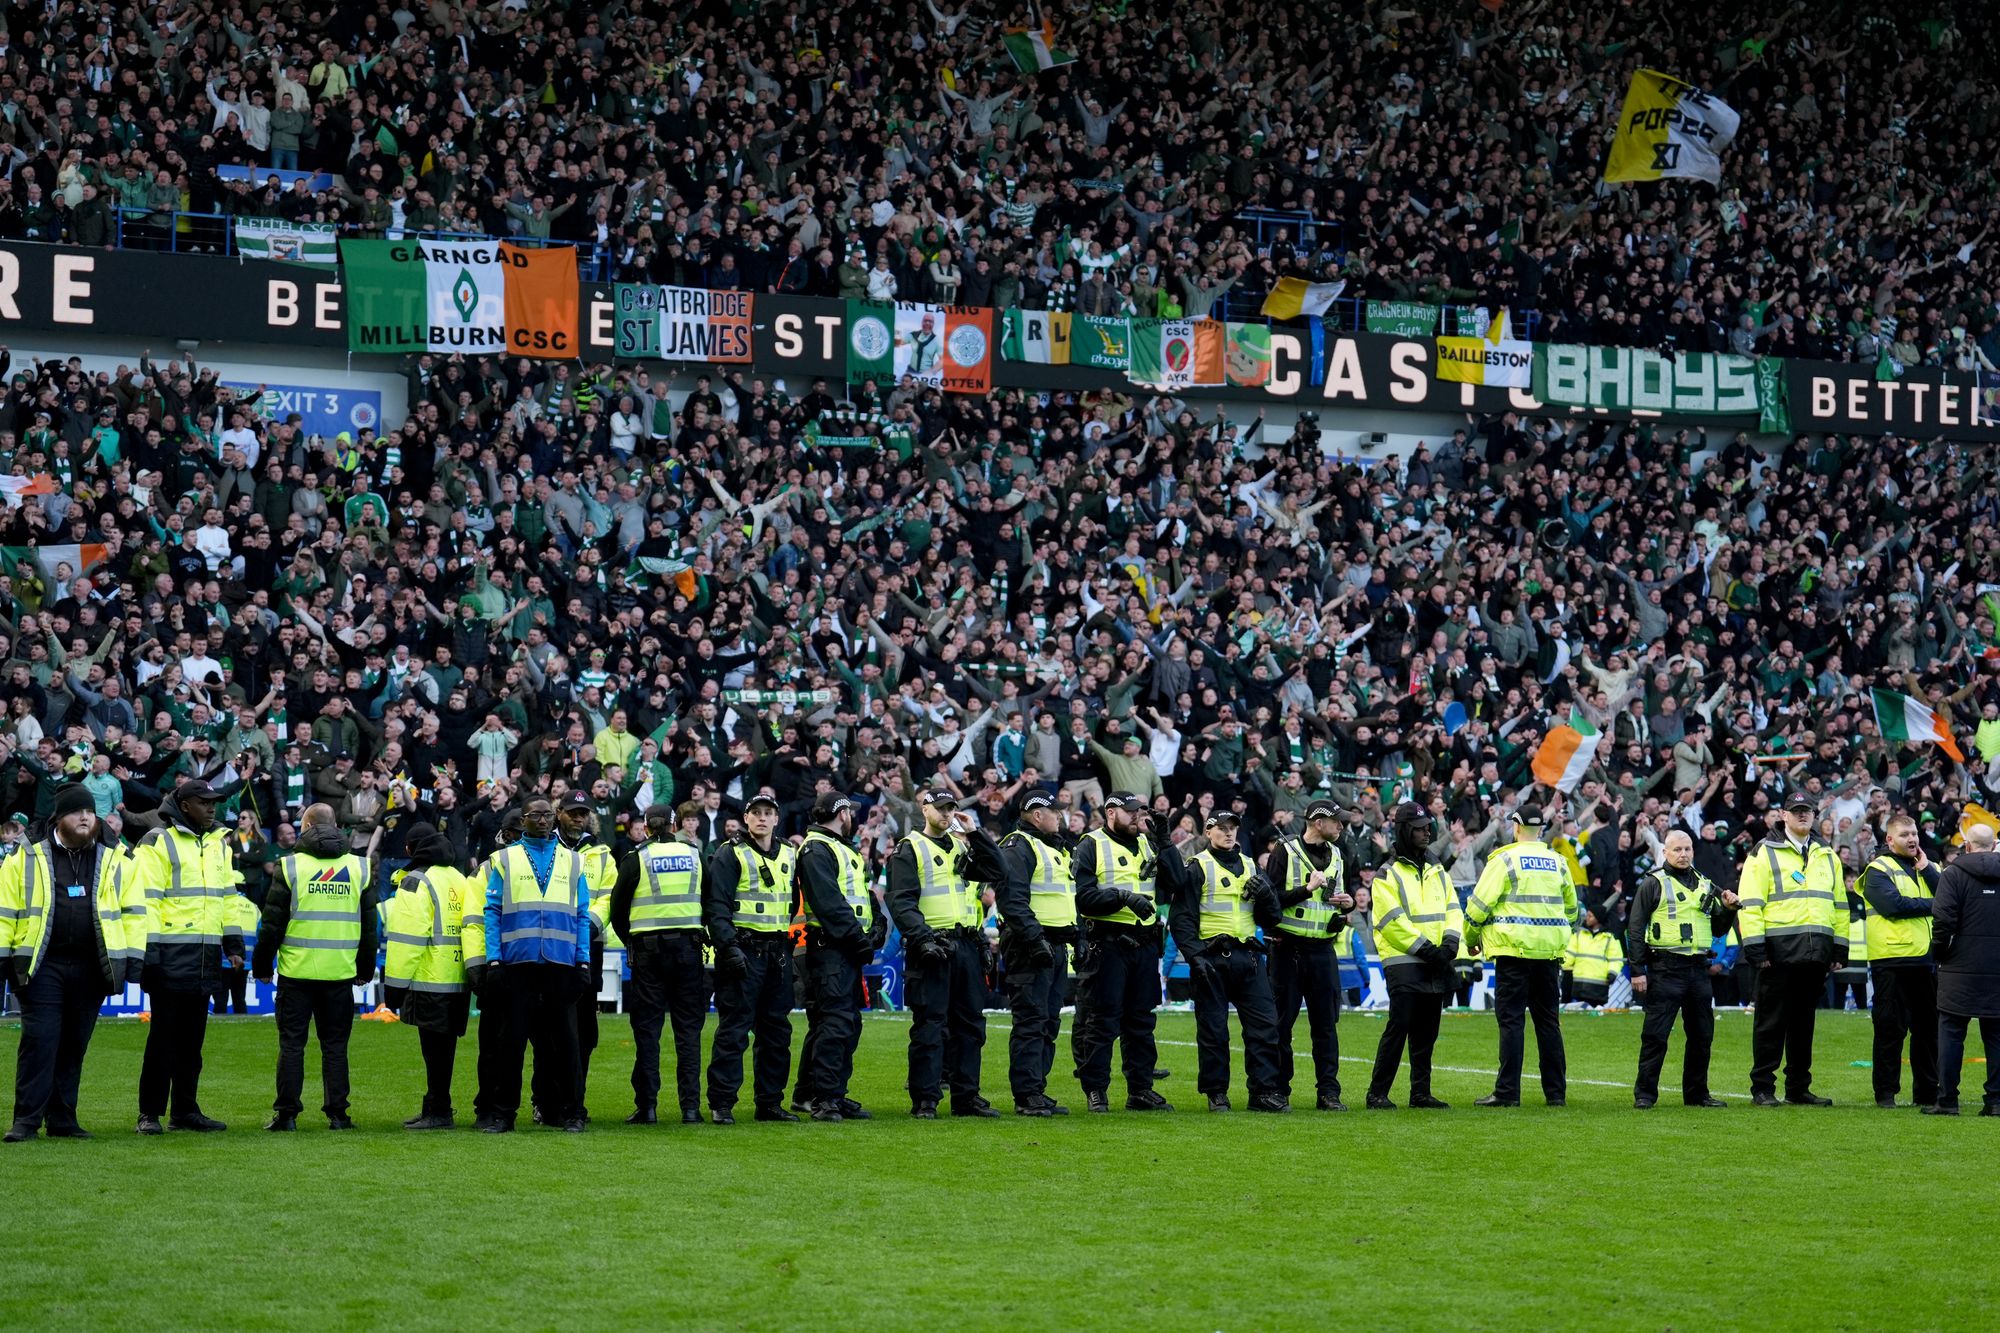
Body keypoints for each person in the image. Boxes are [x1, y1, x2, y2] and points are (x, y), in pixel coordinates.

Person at [2, 785, 143, 1141]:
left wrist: (133, 959)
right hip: (42, 963)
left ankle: (63, 1119)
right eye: (77, 811)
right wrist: (3, 957)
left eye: (90, 812)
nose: (85, 817)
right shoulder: (25, 855)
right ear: (58, 818)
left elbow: (134, 912)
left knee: (74, 1044)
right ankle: (26, 1120)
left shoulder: (117, 856)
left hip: (92, 964)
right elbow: (5, 910)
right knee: (40, 1041)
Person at [251, 802, 377, 1131]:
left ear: (306, 826)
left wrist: (261, 965)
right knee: (335, 1047)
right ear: (336, 826)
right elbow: (369, 927)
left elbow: (272, 924)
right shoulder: (360, 867)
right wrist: (365, 969)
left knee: (292, 1046)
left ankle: (287, 1115)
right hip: (339, 973)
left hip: (297, 972)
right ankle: (339, 1115)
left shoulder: (290, 866)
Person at [129, 780, 245, 1134]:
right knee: (162, 1041)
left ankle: (184, 1111)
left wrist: (233, 944)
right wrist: (149, 953)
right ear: (184, 805)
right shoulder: (157, 841)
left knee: (192, 1044)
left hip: (205, 955)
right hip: (169, 954)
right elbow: (147, 900)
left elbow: (227, 898)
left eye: (214, 802)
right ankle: (149, 1113)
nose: (211, 808)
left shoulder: (218, 844)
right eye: (203, 802)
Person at [887, 789, 1005, 1118]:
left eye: (950, 808)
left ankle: (966, 1097)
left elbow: (998, 869)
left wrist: (975, 833)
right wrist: (922, 938)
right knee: (930, 1025)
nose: (946, 814)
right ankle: (925, 1098)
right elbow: (900, 900)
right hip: (932, 946)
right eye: (940, 808)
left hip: (965, 945)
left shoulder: (960, 846)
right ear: (924, 809)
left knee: (970, 1025)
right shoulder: (910, 848)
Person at [479, 796, 592, 1132]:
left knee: (567, 1044)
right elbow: (492, 912)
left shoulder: (574, 861)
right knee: (510, 1044)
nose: (542, 821)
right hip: (518, 963)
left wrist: (583, 961)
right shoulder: (504, 859)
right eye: (535, 815)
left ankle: (572, 1112)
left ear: (554, 818)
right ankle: (504, 1114)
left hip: (561, 963)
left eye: (547, 815)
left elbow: (582, 914)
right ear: (523, 820)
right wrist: (494, 959)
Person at [1164, 811, 1286, 1112]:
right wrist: (1195, 956)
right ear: (1208, 831)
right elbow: (1181, 919)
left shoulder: (1251, 865)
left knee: (1264, 1027)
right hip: (1212, 959)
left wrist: (1267, 895)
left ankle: (1263, 1091)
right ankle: (1216, 1092)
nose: (1229, 833)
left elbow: (1271, 918)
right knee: (1214, 1031)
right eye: (1221, 828)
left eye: (1233, 828)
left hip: (1249, 957)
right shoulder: (1197, 866)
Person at [1463, 803, 1576, 1107]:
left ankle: (1507, 1092)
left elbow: (1478, 906)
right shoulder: (1558, 862)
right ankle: (1556, 1094)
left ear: (1515, 826)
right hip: (1549, 953)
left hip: (1513, 952)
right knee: (1549, 1023)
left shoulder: (1504, 860)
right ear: (1541, 829)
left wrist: (1471, 938)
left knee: (1512, 1022)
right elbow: (1572, 909)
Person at [1737, 795, 1847, 1106]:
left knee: (1803, 1025)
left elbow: (1839, 905)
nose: (1802, 816)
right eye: (1796, 811)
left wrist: (1839, 948)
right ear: (1784, 815)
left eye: (1807, 811)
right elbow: (1750, 903)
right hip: (1777, 954)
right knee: (1770, 1024)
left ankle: (1798, 1088)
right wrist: (1755, 949)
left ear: (1814, 815)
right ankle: (1763, 1088)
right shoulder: (1763, 852)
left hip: (1815, 954)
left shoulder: (1828, 855)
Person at [606, 802, 708, 1124]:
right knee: (688, 1032)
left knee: (648, 1031)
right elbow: (709, 900)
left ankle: (648, 1107)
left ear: (647, 827)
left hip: (648, 952)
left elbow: (617, 910)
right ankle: (690, 1108)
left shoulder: (636, 858)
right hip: (688, 950)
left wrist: (631, 940)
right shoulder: (694, 855)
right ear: (675, 825)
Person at [1071, 791, 1172, 1113]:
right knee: (1102, 1020)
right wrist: (1123, 898)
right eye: (1130, 812)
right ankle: (1096, 1090)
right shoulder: (1091, 844)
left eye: (1138, 811)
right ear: (1111, 812)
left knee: (1141, 1021)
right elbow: (1083, 898)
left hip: (1144, 944)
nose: (1136, 817)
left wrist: (1165, 841)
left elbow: (1176, 882)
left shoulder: (1147, 843)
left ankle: (1140, 1089)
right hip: (1108, 944)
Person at [704, 793, 800, 1123]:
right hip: (743, 950)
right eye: (755, 812)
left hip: (778, 953)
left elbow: (793, 901)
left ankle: (769, 1103)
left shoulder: (789, 852)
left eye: (768, 813)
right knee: (734, 1030)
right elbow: (716, 906)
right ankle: (722, 1103)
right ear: (746, 819)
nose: (762, 818)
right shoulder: (730, 853)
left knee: (777, 1032)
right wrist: (728, 947)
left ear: (777, 819)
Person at [1627, 829, 1737, 1109]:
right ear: (1665, 852)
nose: (1683, 854)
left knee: (1702, 1035)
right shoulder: (1653, 883)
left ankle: (1697, 1094)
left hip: (1698, 969)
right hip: (1666, 968)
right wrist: (1637, 970)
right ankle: (1645, 1094)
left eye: (1687, 849)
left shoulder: (1704, 884)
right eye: (1677, 849)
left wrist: (1728, 909)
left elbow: (1718, 929)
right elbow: (1635, 928)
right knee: (1655, 1035)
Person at [793, 792, 885, 1121]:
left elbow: (861, 897)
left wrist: (877, 926)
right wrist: (859, 940)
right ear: (842, 813)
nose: (852, 817)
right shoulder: (817, 848)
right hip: (831, 948)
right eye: (849, 812)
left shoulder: (836, 847)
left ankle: (816, 1094)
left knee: (839, 1023)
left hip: (842, 947)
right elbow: (829, 902)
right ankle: (825, 1098)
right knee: (835, 1023)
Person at [1366, 802, 1461, 1110]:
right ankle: (1377, 1093)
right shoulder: (1387, 873)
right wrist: (1432, 950)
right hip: (1404, 960)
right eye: (1419, 829)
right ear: (1405, 831)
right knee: (1400, 1026)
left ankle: (1420, 1093)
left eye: (1427, 827)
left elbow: (1453, 908)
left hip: (1433, 958)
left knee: (1427, 1032)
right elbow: (1391, 921)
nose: (1426, 833)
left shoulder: (1437, 868)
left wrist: (1450, 943)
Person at [382, 822, 475, 1130]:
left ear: (410, 849)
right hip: (458, 977)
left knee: (433, 1052)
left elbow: (407, 940)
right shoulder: (459, 877)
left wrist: (394, 988)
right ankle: (436, 1106)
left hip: (429, 979)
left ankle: (438, 1110)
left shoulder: (416, 881)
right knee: (444, 1052)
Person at [1265, 798, 1355, 1111]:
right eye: (1336, 821)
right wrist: (1305, 889)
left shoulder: (1339, 855)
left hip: (1323, 950)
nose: (1341, 826)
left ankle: (1329, 1092)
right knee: (1281, 1025)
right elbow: (1269, 901)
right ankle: (1279, 1090)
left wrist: (1346, 905)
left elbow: (1335, 900)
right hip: (1287, 949)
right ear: (1318, 822)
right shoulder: (1285, 851)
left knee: (1326, 1026)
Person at [994, 791, 1075, 1116]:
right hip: (1030, 947)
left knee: (1048, 1021)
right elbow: (1012, 900)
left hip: (1053, 945)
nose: (1060, 817)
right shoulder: (1018, 846)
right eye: (1055, 811)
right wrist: (1034, 939)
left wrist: (1077, 936)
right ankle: (1027, 1095)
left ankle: (1036, 1088)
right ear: (1037, 815)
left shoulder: (1054, 848)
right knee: (1031, 1020)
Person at [1859, 812, 1939, 1109]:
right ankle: (1886, 1093)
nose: (1912, 839)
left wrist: (1927, 870)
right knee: (1890, 1030)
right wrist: (1936, 905)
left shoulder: (1930, 867)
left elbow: (1951, 896)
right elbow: (1893, 906)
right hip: (1891, 960)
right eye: (1905, 835)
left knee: (1928, 1031)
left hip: (1926, 960)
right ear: (1890, 839)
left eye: (1914, 834)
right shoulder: (1878, 869)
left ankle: (1927, 1093)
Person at [1929, 824, 2000, 1116]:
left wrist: (1939, 954)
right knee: (1996, 1036)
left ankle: (1947, 1100)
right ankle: (1996, 1101)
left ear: (1967, 846)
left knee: (1951, 1033)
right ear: (1994, 845)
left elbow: (1942, 921)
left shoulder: (1952, 874)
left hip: (1958, 966)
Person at [553, 790, 614, 1122]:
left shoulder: (602, 854)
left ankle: (575, 1099)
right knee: (549, 1028)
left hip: (589, 945)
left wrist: (587, 925)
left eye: (583, 813)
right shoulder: (545, 848)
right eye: (573, 812)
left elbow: (608, 896)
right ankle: (547, 1100)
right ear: (558, 813)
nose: (578, 818)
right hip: (551, 946)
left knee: (585, 1030)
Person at [463, 808, 522, 1131]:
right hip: (501, 968)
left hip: (525, 965)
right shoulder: (487, 870)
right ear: (508, 834)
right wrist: (478, 967)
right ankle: (488, 1106)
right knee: (494, 1045)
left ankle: (502, 1107)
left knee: (507, 1044)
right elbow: (474, 921)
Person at [1565, 907, 1624, 1007]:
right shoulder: (1578, 935)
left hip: (1599, 986)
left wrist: (1612, 973)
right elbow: (1569, 955)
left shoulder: (1610, 938)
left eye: (1590, 916)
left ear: (1598, 918)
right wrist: (1562, 966)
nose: (1586, 918)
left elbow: (1616, 959)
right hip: (1579, 984)